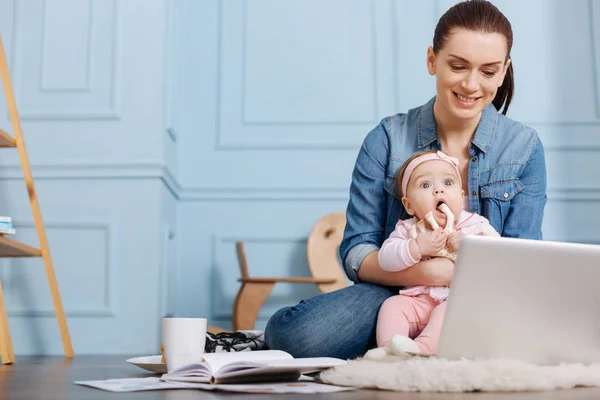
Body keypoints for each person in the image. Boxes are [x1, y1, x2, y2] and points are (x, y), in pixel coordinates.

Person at [265, 0, 547, 360]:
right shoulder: (387, 138)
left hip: (485, 295)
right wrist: (428, 271)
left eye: (489, 71)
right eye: (458, 66)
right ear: (432, 60)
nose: (471, 84)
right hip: (397, 293)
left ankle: (417, 345)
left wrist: (459, 280)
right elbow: (357, 252)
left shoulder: (524, 147)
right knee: (297, 337)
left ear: (504, 70)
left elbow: (521, 259)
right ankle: (403, 341)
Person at [362, 149, 500, 359]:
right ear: (409, 205)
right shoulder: (409, 229)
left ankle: (422, 350)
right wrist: (415, 247)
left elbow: (499, 255)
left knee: (448, 314)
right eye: (426, 185)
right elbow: (385, 259)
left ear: (461, 197)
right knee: (392, 306)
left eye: (448, 183)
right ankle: (390, 350)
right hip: (418, 301)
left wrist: (469, 245)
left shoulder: (476, 225)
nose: (438, 191)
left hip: (454, 301)